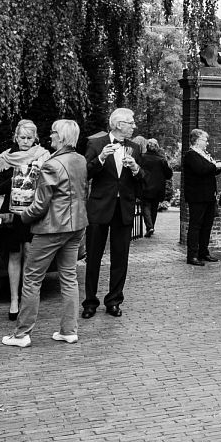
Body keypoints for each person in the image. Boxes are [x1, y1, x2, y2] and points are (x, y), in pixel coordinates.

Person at [2, 119, 87, 348]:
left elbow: (40, 205)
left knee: (31, 279)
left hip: (51, 228)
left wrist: (22, 217)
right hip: (76, 225)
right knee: (69, 278)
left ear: (61, 136)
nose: (49, 136)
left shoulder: (51, 164)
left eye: (52, 133)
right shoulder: (80, 160)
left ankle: (21, 335)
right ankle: (69, 331)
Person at [80, 107, 143, 318]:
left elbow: (143, 178)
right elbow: (85, 172)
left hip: (123, 208)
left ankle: (114, 300)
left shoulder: (135, 147)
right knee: (94, 257)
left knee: (120, 257)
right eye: (131, 122)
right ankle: (90, 302)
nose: (134, 126)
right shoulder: (96, 144)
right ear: (118, 124)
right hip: (99, 207)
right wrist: (99, 159)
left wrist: (135, 168)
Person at [0, 120, 51, 318]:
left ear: (35, 138)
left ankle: (28, 298)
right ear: (15, 137)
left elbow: (48, 185)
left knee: (30, 253)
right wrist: (19, 173)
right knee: (14, 255)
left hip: (33, 212)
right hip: (12, 213)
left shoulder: (43, 156)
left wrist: (36, 170)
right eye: (22, 137)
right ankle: (14, 300)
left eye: (29, 138)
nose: (25, 141)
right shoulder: (5, 158)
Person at [177, 128, 221, 266]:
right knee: (196, 225)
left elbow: (209, 172)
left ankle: (203, 252)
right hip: (197, 196)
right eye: (205, 140)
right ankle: (192, 255)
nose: (207, 143)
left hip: (209, 195)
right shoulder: (191, 155)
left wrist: (220, 168)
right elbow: (201, 170)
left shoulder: (204, 154)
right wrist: (216, 165)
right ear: (197, 140)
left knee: (207, 225)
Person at [137, 137, 172, 237]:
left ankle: (149, 227)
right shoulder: (161, 160)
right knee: (154, 208)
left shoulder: (141, 157)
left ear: (147, 146)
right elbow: (169, 174)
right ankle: (151, 226)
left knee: (146, 207)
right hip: (158, 188)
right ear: (157, 147)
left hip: (145, 185)